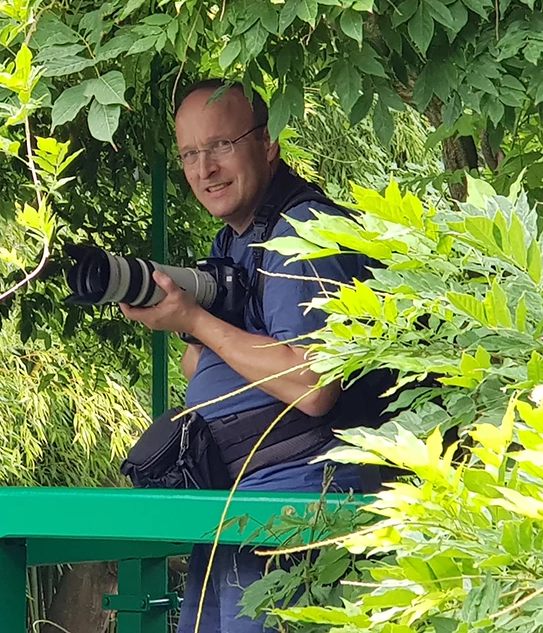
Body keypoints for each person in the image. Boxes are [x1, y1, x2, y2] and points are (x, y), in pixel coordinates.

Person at [119, 81, 376, 633]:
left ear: (268, 145)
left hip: (301, 502)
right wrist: (187, 325)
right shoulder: (235, 241)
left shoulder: (303, 232)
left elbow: (313, 384)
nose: (204, 168)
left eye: (221, 146)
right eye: (190, 153)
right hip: (243, 500)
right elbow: (201, 369)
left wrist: (195, 320)